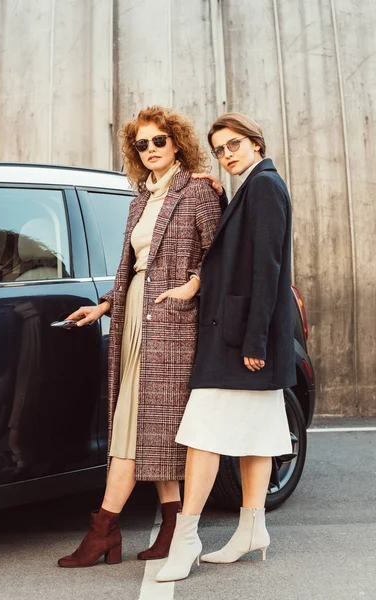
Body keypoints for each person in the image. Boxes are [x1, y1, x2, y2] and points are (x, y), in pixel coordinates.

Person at [57, 106, 222, 568]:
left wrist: (193, 285)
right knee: (149, 427)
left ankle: (103, 529)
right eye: (141, 144)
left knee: (134, 426)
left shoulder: (199, 193)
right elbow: (135, 270)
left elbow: (220, 256)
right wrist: (105, 304)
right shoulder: (139, 201)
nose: (150, 150)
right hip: (134, 316)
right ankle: (170, 526)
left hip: (173, 324)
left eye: (159, 141)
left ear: (177, 144)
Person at [156, 113, 296, 582]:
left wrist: (255, 339)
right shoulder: (251, 187)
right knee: (255, 432)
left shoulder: (265, 188)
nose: (227, 155)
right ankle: (252, 527)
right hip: (242, 332)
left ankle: (187, 536)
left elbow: (268, 267)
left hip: (242, 337)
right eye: (219, 149)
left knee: (202, 434)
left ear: (256, 143)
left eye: (234, 145)